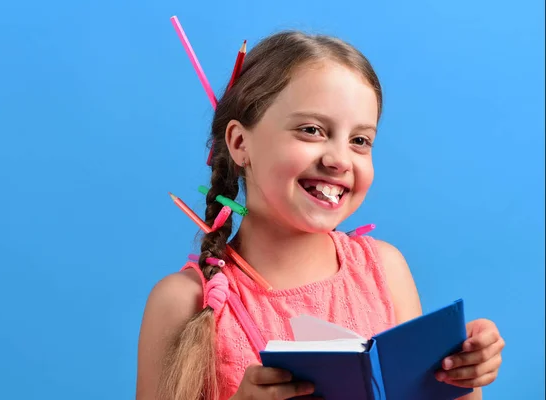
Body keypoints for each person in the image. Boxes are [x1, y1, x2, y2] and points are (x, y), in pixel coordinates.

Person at [136, 31, 505, 400]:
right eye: (311, 130)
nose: (339, 160)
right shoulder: (184, 303)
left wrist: (462, 372)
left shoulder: (386, 271)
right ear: (239, 143)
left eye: (359, 141)